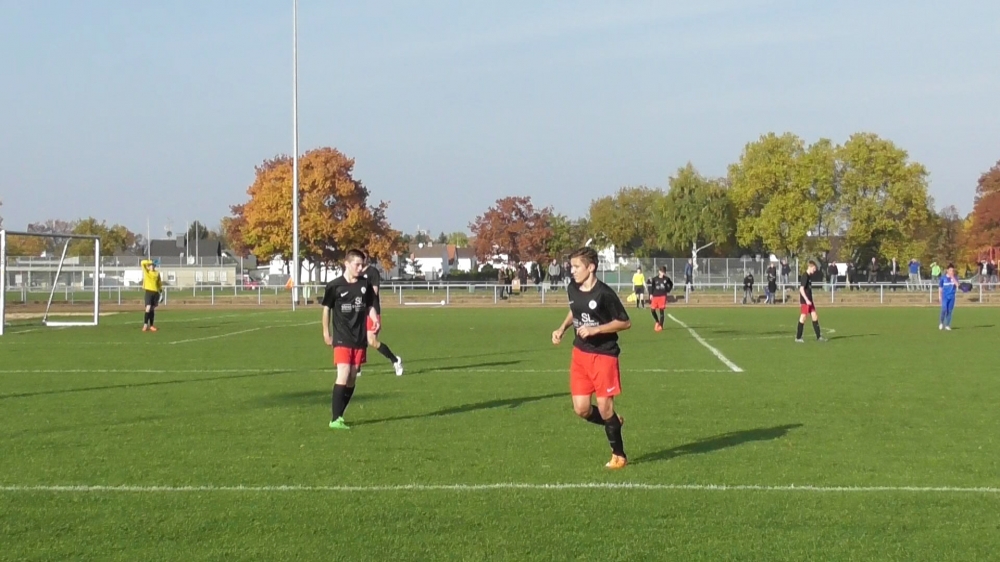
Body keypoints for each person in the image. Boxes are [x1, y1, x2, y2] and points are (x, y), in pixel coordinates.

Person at [552, 247, 631, 469]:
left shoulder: (604, 293)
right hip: (580, 355)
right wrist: (562, 328)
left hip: (604, 355)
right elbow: (575, 310)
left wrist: (596, 330)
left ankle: (619, 455)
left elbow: (625, 322)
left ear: (591, 267)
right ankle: (614, 422)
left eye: (576, 266)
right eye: (571, 266)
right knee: (581, 409)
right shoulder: (572, 288)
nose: (572, 270)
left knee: (605, 408)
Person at [322, 249, 380, 430]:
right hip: (342, 337)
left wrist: (375, 319)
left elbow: (370, 305)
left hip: (359, 337)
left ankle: (340, 415)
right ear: (346, 264)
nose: (361, 268)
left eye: (362, 265)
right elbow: (326, 309)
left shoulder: (365, 284)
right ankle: (335, 419)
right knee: (344, 372)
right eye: (357, 264)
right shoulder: (335, 286)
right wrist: (326, 332)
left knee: (353, 376)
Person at [357, 257, 403, 377]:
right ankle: (357, 368)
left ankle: (395, 360)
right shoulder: (356, 273)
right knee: (359, 339)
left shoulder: (373, 272)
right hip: (359, 311)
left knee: (372, 341)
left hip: (372, 310)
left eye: (363, 258)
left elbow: (374, 292)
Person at [796, 261, 826, 343]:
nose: (815, 270)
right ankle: (798, 337)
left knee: (815, 316)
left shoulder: (809, 276)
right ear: (810, 267)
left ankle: (819, 337)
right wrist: (806, 300)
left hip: (810, 301)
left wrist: (810, 300)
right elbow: (801, 289)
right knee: (803, 317)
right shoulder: (805, 276)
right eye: (814, 268)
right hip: (805, 301)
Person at [140, 258, 163, 332]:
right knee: (148, 308)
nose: (152, 266)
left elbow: (159, 283)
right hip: (149, 292)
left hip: (155, 293)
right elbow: (142, 262)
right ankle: (145, 325)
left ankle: (151, 325)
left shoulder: (157, 273)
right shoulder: (147, 272)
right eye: (150, 265)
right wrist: (150, 261)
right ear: (148, 266)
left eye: (153, 265)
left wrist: (161, 291)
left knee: (152, 309)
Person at [647, 266, 673, 331]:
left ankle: (661, 325)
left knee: (661, 310)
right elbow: (652, 287)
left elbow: (671, 284)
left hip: (662, 296)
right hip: (655, 296)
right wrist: (651, 294)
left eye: (664, 272)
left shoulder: (667, 279)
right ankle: (657, 321)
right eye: (661, 272)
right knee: (652, 310)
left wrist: (668, 290)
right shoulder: (655, 279)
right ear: (659, 272)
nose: (662, 273)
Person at [939, 264, 958, 331]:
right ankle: (941, 322)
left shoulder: (955, 277)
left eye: (952, 270)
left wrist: (952, 277)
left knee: (949, 311)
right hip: (945, 296)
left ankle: (947, 325)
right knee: (944, 309)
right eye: (950, 270)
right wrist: (939, 296)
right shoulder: (943, 278)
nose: (951, 272)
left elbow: (957, 285)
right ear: (947, 270)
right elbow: (940, 288)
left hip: (952, 297)